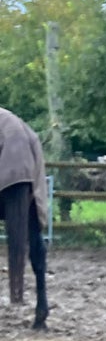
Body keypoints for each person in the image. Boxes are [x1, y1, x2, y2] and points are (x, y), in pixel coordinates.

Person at [0, 106, 49, 327]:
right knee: (33, 233)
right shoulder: (14, 120)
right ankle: (42, 306)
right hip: (29, 156)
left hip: (9, 162)